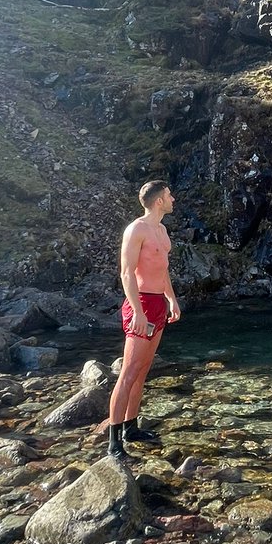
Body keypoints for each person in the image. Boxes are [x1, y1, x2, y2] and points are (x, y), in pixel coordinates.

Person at [108, 180, 181, 457]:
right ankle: (114, 442)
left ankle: (131, 427)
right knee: (127, 372)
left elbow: (162, 271)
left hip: (158, 304)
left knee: (143, 370)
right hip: (140, 304)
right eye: (169, 194)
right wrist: (137, 311)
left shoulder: (162, 231)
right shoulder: (136, 229)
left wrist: (171, 299)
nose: (173, 198)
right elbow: (126, 273)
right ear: (159, 200)